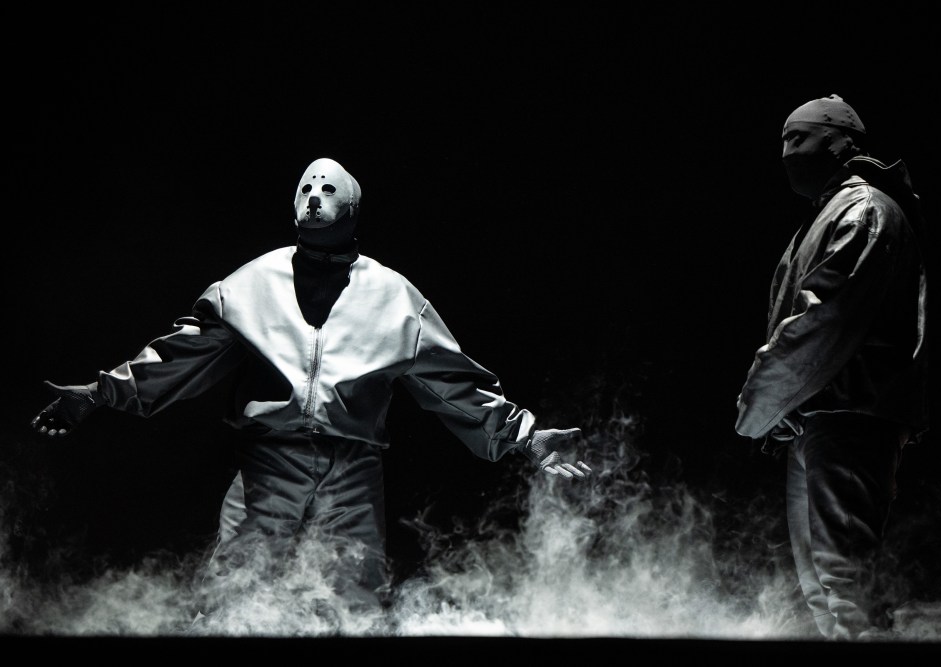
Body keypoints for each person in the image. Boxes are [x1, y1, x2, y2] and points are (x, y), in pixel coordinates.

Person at [30, 157, 592, 618]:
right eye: (306, 187)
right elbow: (179, 354)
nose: (315, 195)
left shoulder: (394, 297)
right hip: (268, 462)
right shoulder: (251, 283)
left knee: (358, 599)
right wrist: (102, 393)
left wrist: (527, 435)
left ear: (353, 205)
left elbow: (453, 380)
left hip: (353, 465)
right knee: (232, 589)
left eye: (329, 187)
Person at [734, 94, 929, 640]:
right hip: (822, 416)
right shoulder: (831, 212)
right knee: (825, 590)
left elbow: (824, 318)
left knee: (846, 588)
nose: (787, 153)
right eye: (782, 142)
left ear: (842, 142)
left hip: (851, 412)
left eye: (799, 138)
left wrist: (759, 400)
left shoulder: (863, 210)